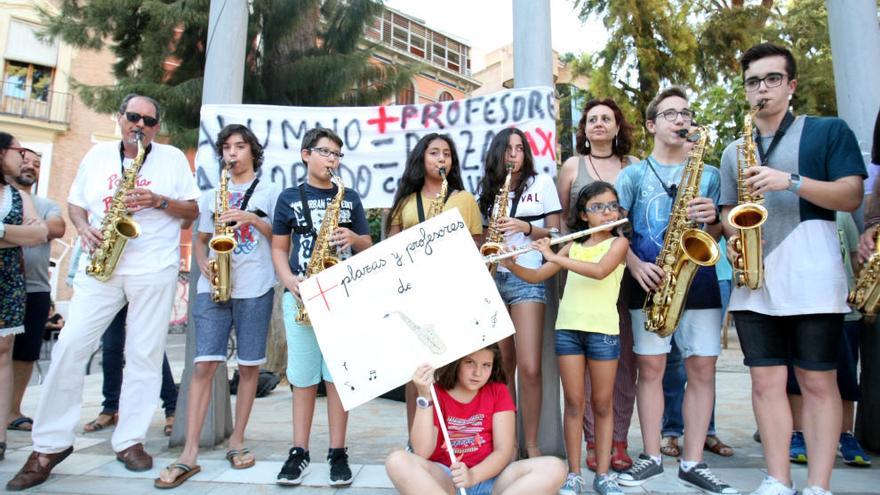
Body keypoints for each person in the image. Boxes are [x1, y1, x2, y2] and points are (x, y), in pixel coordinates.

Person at [6, 94, 200, 491]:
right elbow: (76, 205)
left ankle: (129, 440)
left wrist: (159, 200)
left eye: (149, 120)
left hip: (153, 266)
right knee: (70, 346)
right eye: (134, 117)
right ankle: (49, 445)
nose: (140, 125)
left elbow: (193, 210)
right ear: (120, 119)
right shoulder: (96, 157)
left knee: (143, 353)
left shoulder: (173, 158)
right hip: (102, 266)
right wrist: (84, 227)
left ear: (156, 127)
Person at [719, 43, 865, 495]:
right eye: (753, 82)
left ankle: (818, 485)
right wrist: (732, 233)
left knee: (818, 381)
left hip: (813, 274)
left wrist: (791, 182)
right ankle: (777, 479)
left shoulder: (828, 131)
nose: (761, 88)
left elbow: (851, 196)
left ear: (792, 84)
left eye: (772, 79)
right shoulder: (733, 151)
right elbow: (727, 215)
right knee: (765, 383)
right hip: (755, 279)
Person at [615, 87, 737, 495]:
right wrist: (633, 264)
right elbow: (618, 230)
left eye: (686, 113)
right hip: (649, 280)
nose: (681, 120)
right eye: (670, 114)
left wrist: (713, 220)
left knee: (702, 369)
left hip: (698, 280)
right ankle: (651, 456)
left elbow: (720, 229)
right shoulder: (632, 174)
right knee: (650, 370)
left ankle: (693, 461)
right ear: (652, 125)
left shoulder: (710, 173)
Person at [155, 124, 280, 489]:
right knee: (204, 365)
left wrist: (254, 219)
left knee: (248, 368)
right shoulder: (212, 195)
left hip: (254, 286)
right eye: (226, 148)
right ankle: (189, 453)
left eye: (239, 147)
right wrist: (204, 265)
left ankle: (237, 440)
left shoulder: (271, 193)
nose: (232, 154)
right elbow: (200, 240)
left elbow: (281, 239)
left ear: (252, 152)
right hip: (214, 288)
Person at [501, 181, 628, 495]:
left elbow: (599, 271)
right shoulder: (573, 245)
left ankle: (603, 473)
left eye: (611, 205)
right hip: (569, 330)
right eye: (597, 207)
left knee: (601, 405)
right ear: (584, 215)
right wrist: (510, 263)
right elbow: (536, 276)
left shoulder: (618, 244)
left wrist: (554, 257)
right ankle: (574, 473)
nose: (607, 212)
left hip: (603, 332)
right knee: (573, 404)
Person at [271, 127, 372, 487]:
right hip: (300, 294)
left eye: (337, 154)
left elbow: (366, 245)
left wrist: (354, 237)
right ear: (306, 154)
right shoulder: (288, 197)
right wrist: (289, 281)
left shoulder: (349, 198)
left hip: (340, 295)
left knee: (338, 378)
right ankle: (299, 451)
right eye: (325, 152)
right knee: (302, 378)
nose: (332, 159)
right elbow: (279, 248)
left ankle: (337, 452)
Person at [558, 98, 638, 472]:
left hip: (626, 269)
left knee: (622, 361)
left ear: (617, 126)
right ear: (584, 128)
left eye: (607, 118)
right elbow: (563, 222)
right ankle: (591, 442)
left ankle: (617, 440)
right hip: (582, 268)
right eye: (592, 119)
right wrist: (562, 256)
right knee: (583, 364)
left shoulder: (634, 166)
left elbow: (631, 225)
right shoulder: (572, 165)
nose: (600, 124)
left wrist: (630, 261)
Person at [387, 132, 483, 429]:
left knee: (451, 366)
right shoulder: (406, 202)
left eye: (447, 154)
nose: (441, 158)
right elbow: (392, 248)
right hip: (414, 294)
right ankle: (415, 434)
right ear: (421, 158)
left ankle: (447, 433)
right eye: (434, 153)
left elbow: (477, 245)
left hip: (452, 292)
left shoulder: (464, 199)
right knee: (416, 368)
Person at [477, 128, 561, 458]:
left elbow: (556, 233)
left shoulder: (541, 184)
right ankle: (507, 445)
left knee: (529, 367)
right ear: (498, 154)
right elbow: (481, 239)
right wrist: (490, 234)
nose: (514, 154)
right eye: (508, 149)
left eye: (520, 148)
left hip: (528, 275)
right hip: (494, 278)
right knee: (503, 366)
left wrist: (525, 227)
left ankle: (533, 444)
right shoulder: (486, 190)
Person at [384, 345, 567, 495]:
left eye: (486, 365)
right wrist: (424, 396)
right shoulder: (436, 392)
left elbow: (503, 451)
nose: (478, 372)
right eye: (470, 362)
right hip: (447, 480)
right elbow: (422, 452)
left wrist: (472, 475)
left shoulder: (498, 392)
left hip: (492, 479)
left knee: (555, 467)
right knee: (397, 461)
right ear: (457, 362)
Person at [785, 212, 871, 468]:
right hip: (801, 306)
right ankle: (798, 432)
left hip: (844, 308)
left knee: (845, 378)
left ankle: (846, 435)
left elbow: (855, 257)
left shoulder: (842, 214)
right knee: (797, 377)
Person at [7, 149, 65, 433]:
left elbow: (55, 228)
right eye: (25, 160)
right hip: (6, 286)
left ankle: (12, 411)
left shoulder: (45, 203)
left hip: (36, 287)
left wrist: (21, 230)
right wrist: (26, 231)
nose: (30, 166)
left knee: (25, 353)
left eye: (37, 164)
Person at [660, 239, 735, 459]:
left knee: (705, 364)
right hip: (671, 271)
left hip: (717, 272)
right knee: (673, 361)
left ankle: (706, 431)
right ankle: (671, 429)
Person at [0, 133, 49, 461]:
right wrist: (15, 235)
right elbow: (26, 233)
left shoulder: (18, 194)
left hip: (10, 280)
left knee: (4, 353)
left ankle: (0, 434)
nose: (25, 158)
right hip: (12, 274)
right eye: (19, 151)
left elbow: (38, 234)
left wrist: (2, 232)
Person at [81, 305, 178, 436]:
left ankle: (172, 406)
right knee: (111, 344)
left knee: (150, 344)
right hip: (110, 286)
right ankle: (110, 408)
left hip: (143, 286)